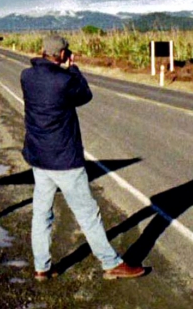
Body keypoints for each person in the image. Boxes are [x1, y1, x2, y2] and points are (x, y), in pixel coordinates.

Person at [20, 33, 149, 281]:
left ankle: (41, 266)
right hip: (65, 160)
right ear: (63, 54)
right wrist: (74, 69)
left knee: (42, 214)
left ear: (42, 51)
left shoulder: (26, 76)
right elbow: (85, 95)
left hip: (39, 158)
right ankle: (111, 263)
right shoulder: (64, 81)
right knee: (88, 214)